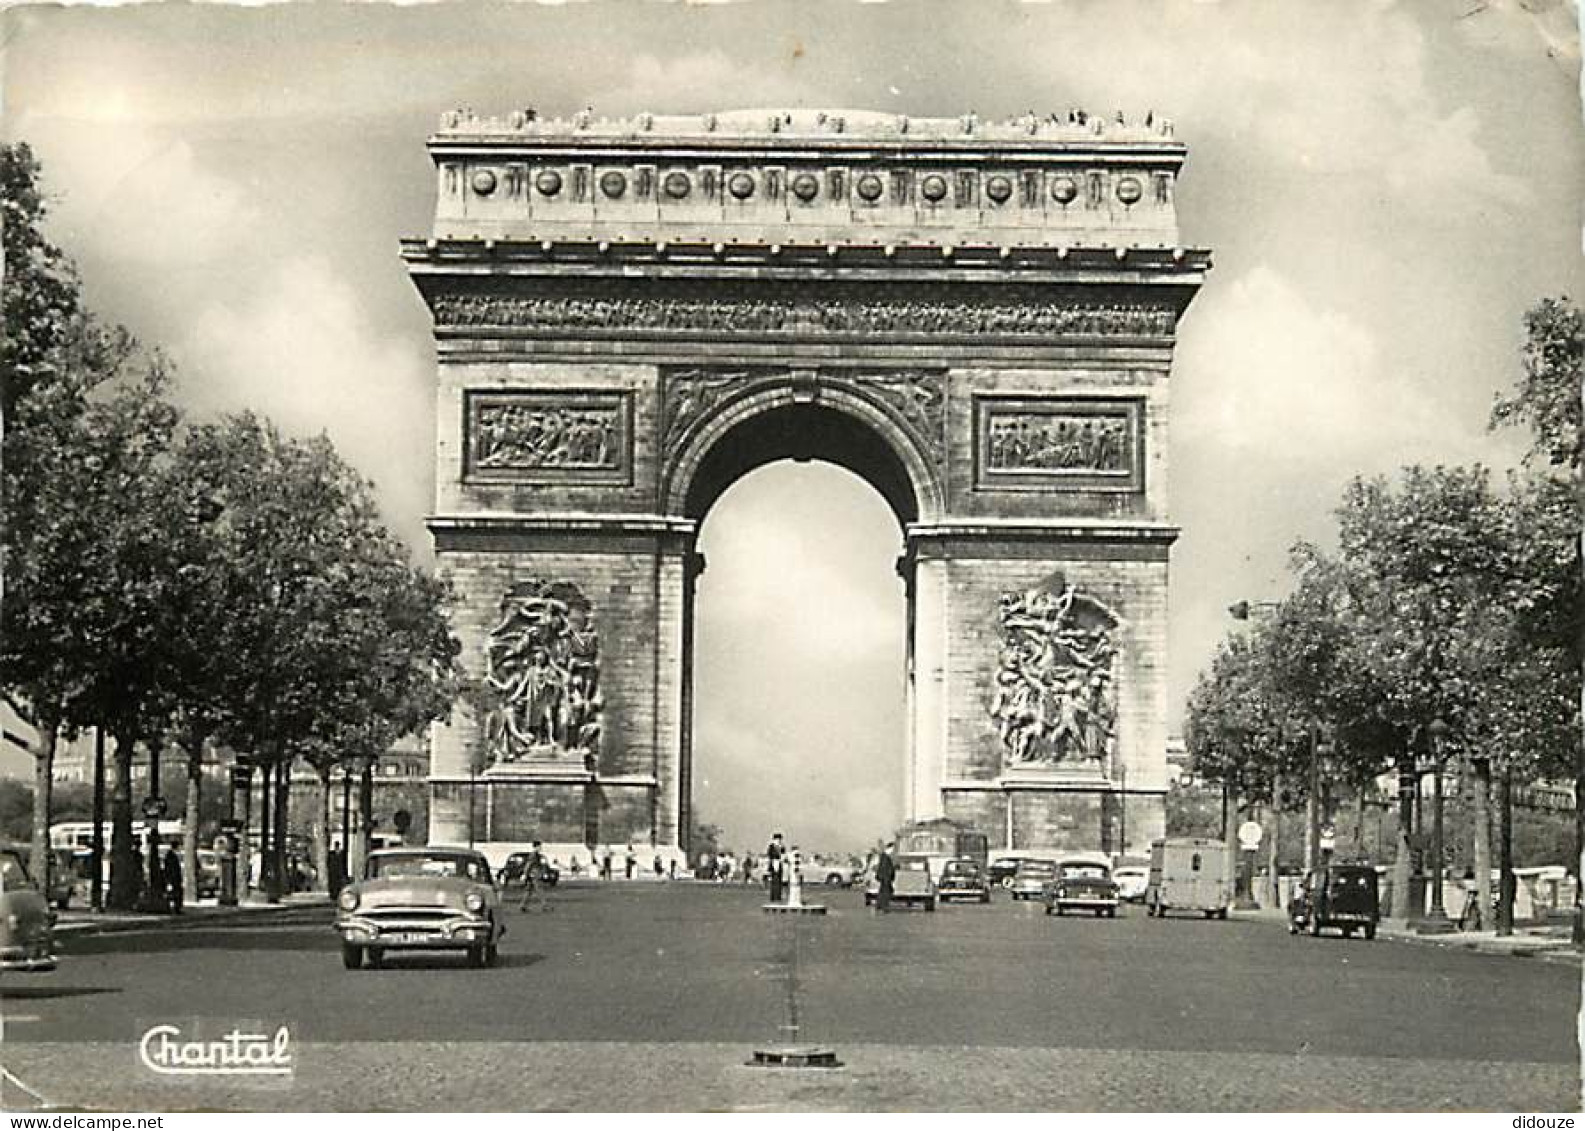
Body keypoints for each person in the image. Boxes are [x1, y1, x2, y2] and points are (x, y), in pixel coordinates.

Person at [518, 840, 547, 912]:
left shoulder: (535, 855)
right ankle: (545, 906)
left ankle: (523, 906)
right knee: (539, 891)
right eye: (539, 846)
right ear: (536, 847)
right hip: (534, 875)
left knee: (528, 891)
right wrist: (525, 874)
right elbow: (529, 865)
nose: (541, 848)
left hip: (532, 875)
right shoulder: (534, 855)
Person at [875, 843, 897, 913]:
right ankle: (885, 907)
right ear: (889, 848)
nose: (893, 851)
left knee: (882, 892)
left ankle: (879, 905)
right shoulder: (886, 857)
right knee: (886, 893)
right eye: (893, 849)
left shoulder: (884, 856)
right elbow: (885, 869)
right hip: (886, 878)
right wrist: (888, 877)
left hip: (884, 878)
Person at [162, 844, 184, 914]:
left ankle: (176, 908)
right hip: (173, 879)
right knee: (174, 894)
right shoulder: (171, 856)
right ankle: (175, 908)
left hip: (174, 879)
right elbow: (170, 869)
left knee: (175, 894)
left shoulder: (171, 856)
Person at [766, 833, 786, 904]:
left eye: (780, 839)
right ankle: (773, 896)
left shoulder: (782, 846)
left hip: (780, 863)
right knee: (774, 880)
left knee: (779, 880)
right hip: (774, 863)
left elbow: (783, 854)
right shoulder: (771, 846)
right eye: (778, 839)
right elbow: (769, 855)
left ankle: (778, 896)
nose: (779, 840)